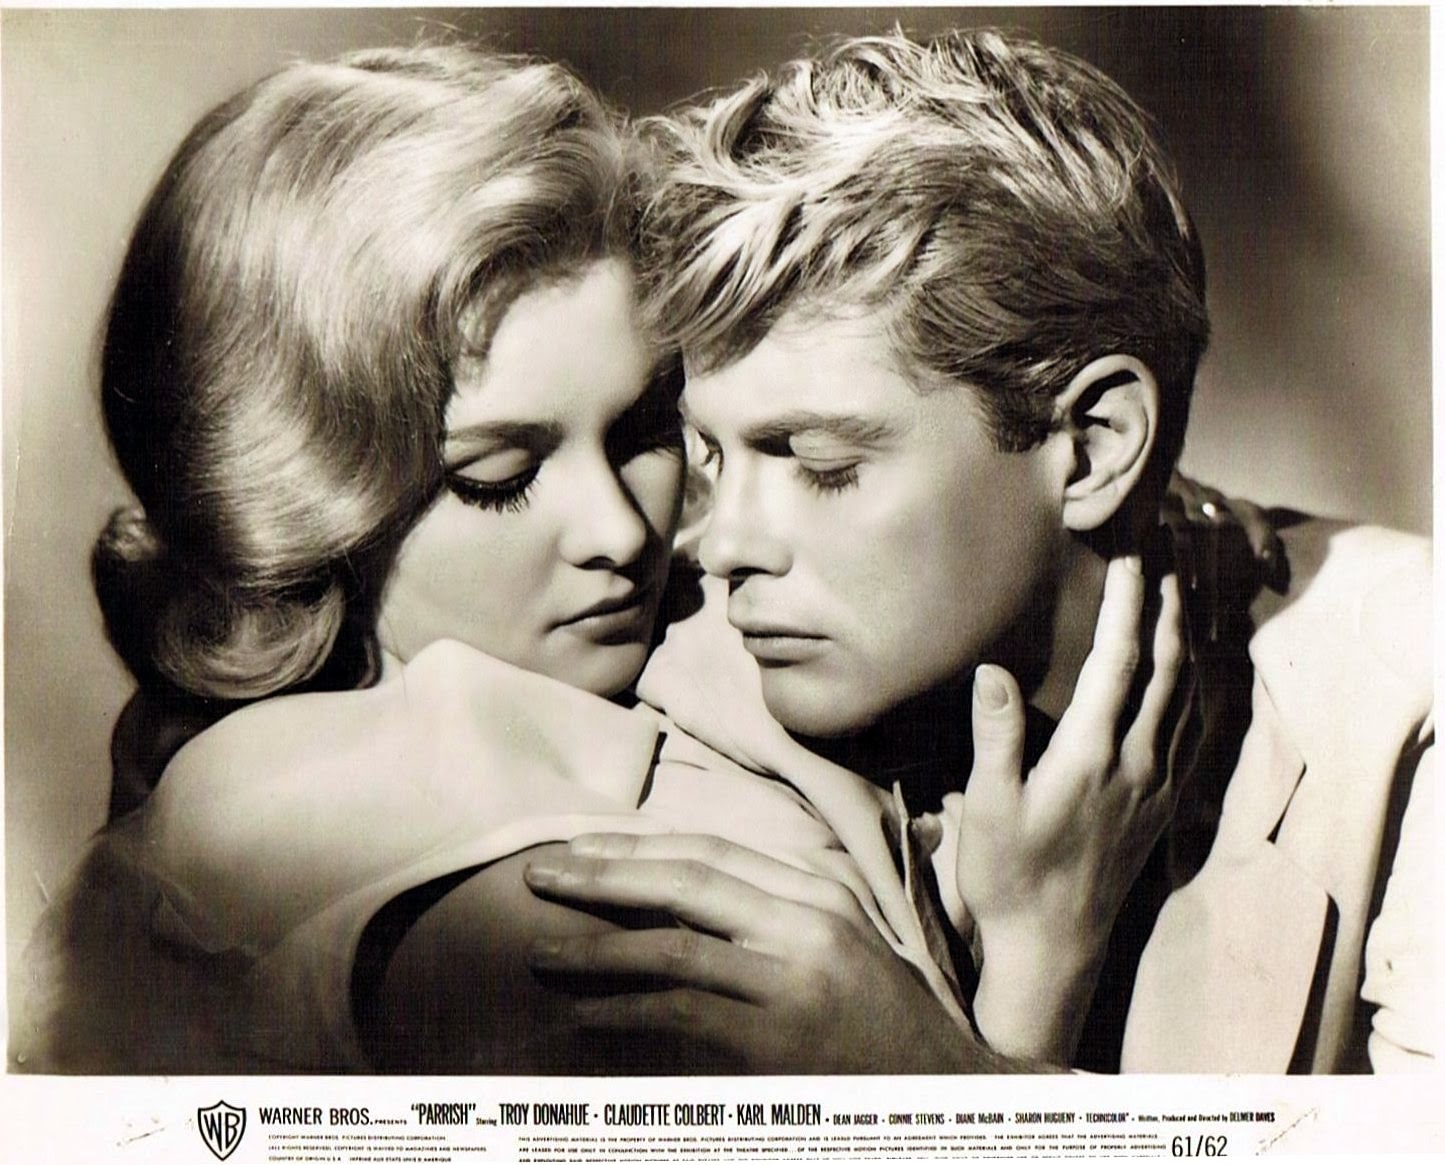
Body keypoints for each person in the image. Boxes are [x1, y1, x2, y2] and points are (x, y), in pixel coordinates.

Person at [10, 41, 1188, 1075]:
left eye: (640, 434)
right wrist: (1029, 983)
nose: (623, 532)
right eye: (498, 474)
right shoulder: (482, 892)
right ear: (314, 509)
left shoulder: (703, 682)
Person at [518, 29, 1435, 1073]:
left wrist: (953, 1081)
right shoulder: (691, 686)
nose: (720, 544)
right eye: (709, 458)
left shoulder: (1407, 686)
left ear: (1093, 446)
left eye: (818, 463)